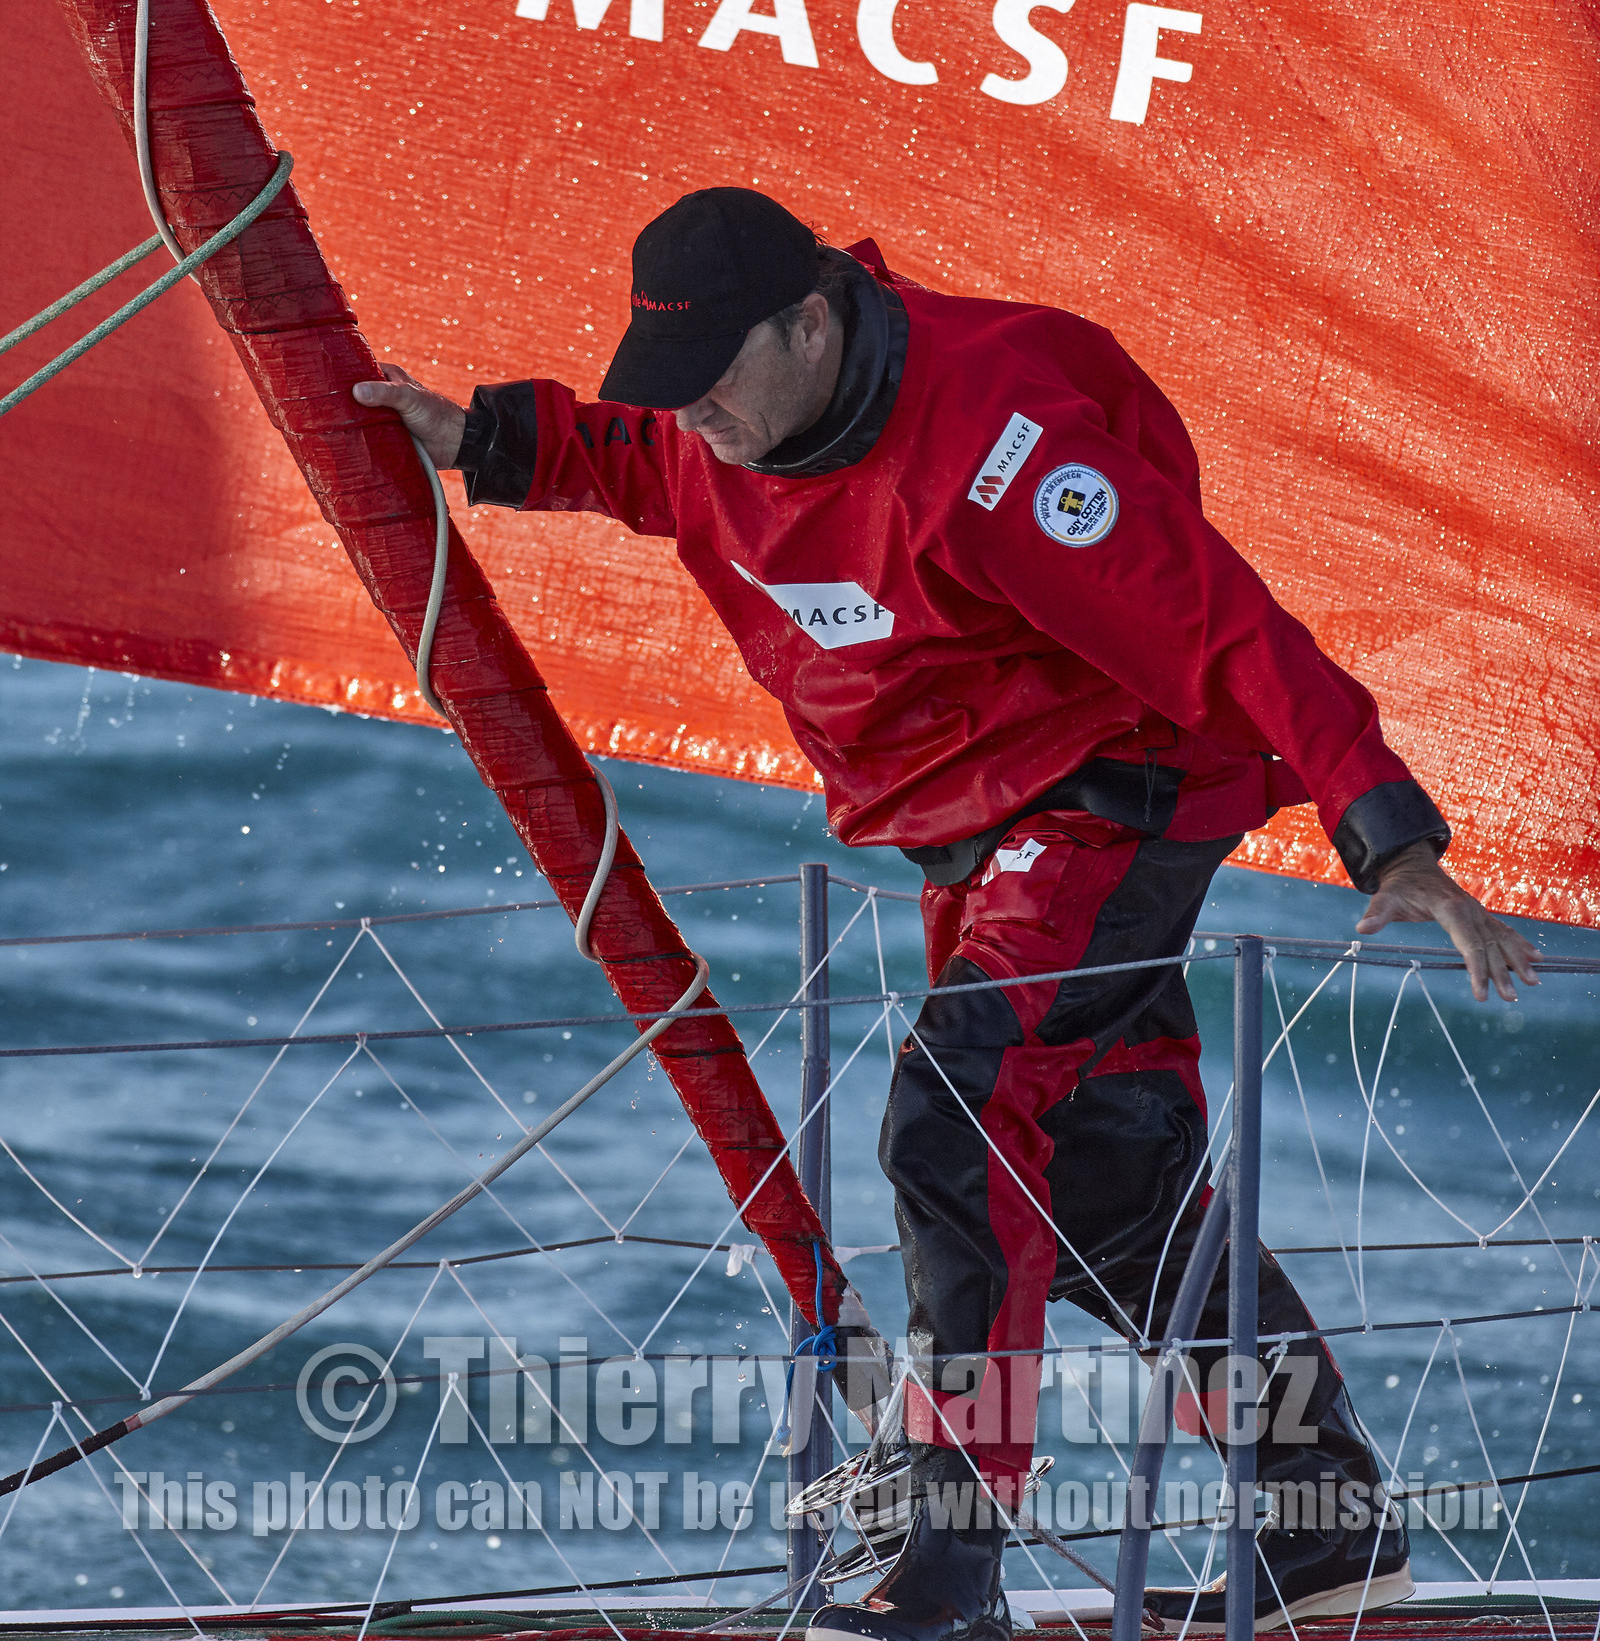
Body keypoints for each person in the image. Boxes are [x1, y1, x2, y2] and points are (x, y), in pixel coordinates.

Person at [354, 187, 1538, 1641]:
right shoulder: (720, 418)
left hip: (1115, 787)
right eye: (675, 384)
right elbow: (643, 458)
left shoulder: (999, 454)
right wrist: (478, 436)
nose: (698, 414)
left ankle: (948, 1561)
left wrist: (1387, 836)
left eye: (718, 375)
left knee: (956, 1112)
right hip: (972, 829)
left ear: (812, 318)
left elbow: (1229, 627)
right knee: (1105, 1188)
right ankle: (1327, 1533)